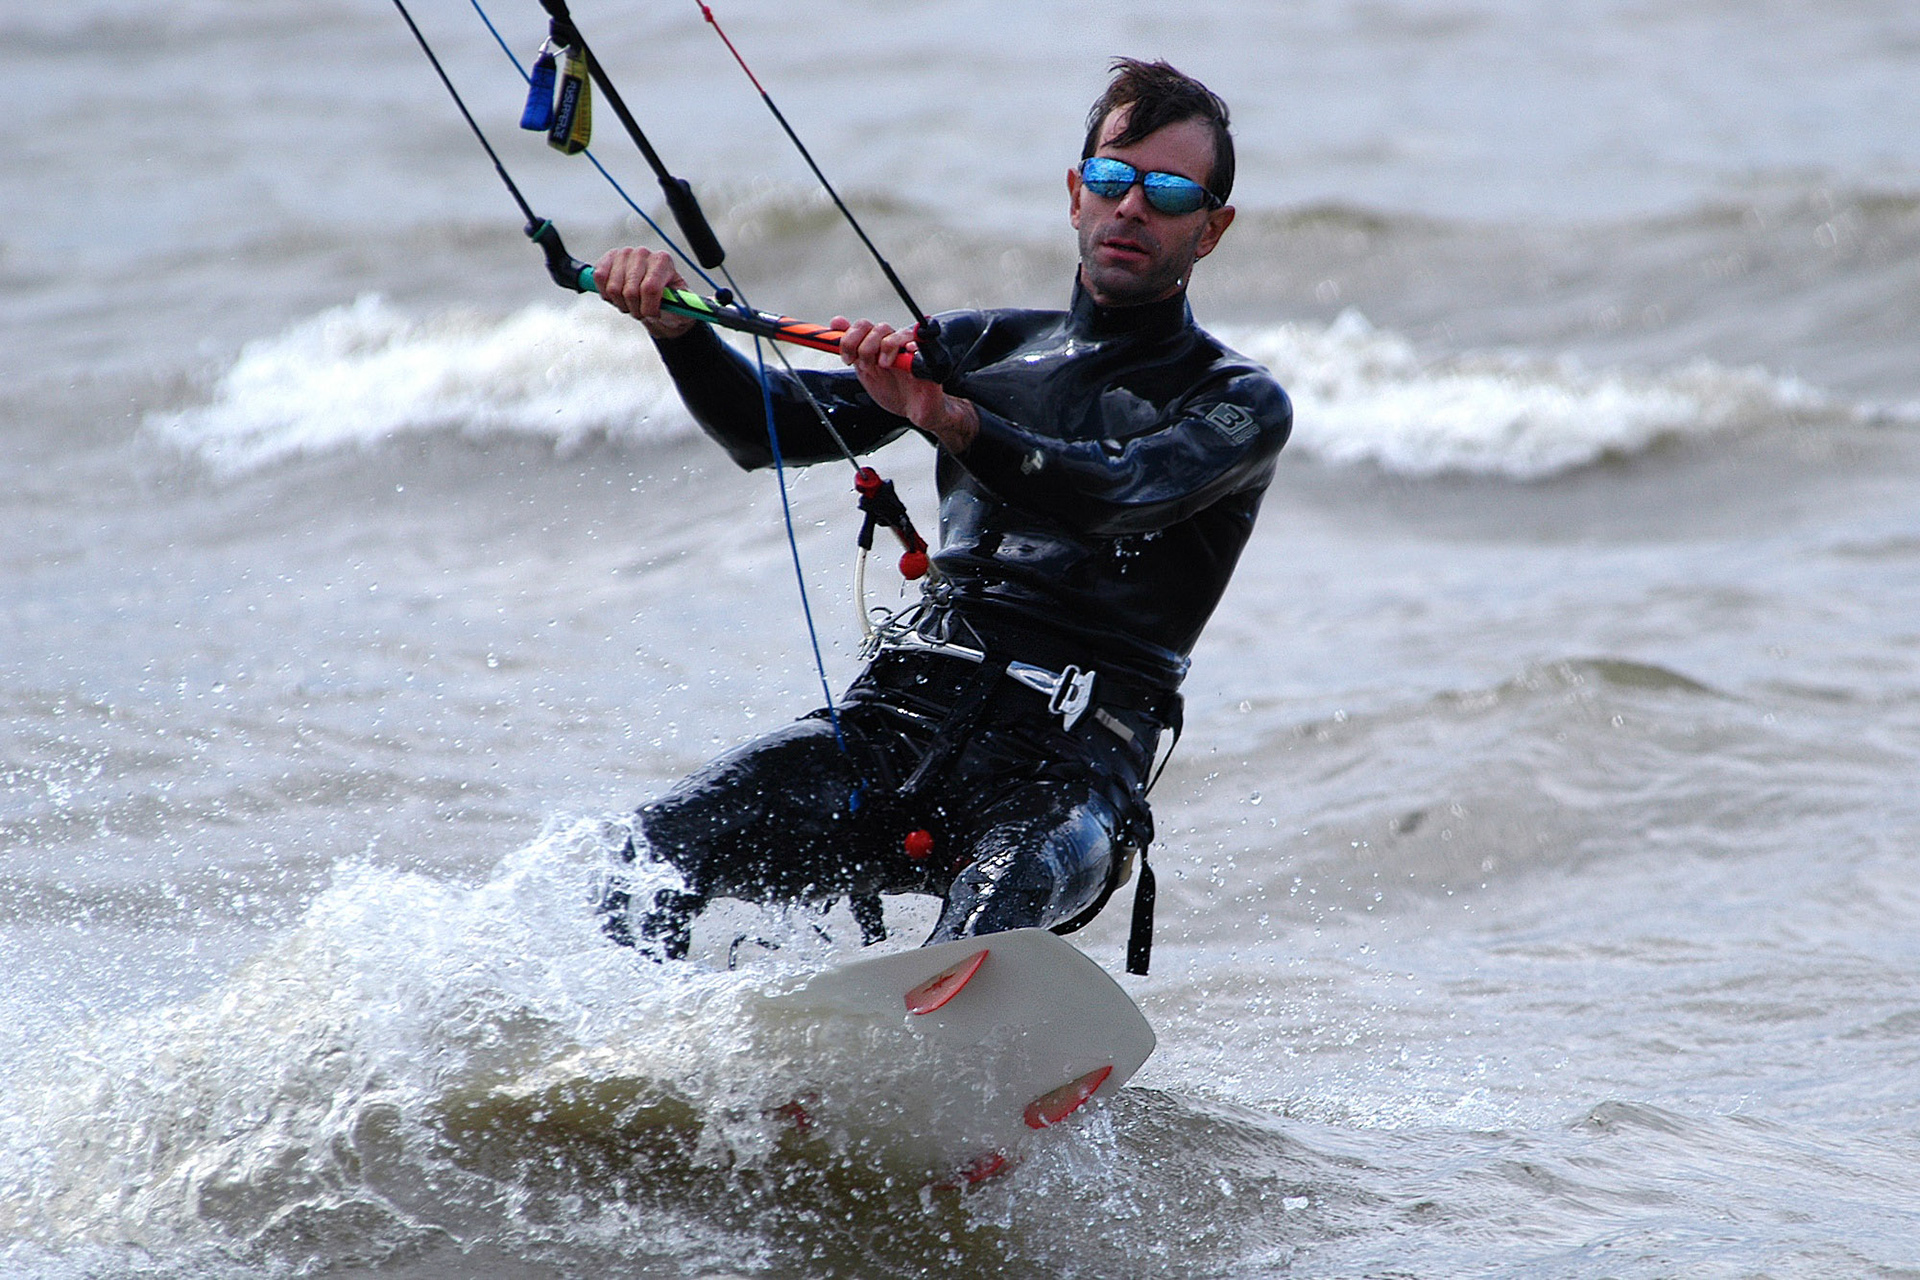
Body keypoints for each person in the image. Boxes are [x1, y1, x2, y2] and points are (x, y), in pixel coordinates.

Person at [592, 58, 1291, 968]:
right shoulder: (975, 346)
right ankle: (656, 1084)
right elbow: (769, 428)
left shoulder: (1236, 401)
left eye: (1166, 191)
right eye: (1115, 180)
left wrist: (954, 422)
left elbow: (1117, 493)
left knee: (981, 935)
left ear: (1211, 228)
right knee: (642, 865)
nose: (1132, 209)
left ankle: (930, 1072)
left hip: (1066, 769)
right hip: (902, 716)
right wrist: (681, 335)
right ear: (1077, 193)